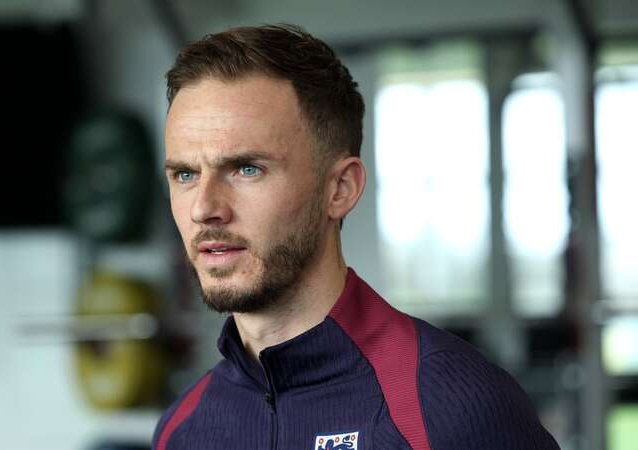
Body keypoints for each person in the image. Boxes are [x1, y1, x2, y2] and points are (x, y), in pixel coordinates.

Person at [153, 24, 560, 450]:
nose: (203, 208)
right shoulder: (182, 427)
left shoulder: (449, 408)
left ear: (340, 189)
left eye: (247, 169)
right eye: (185, 174)